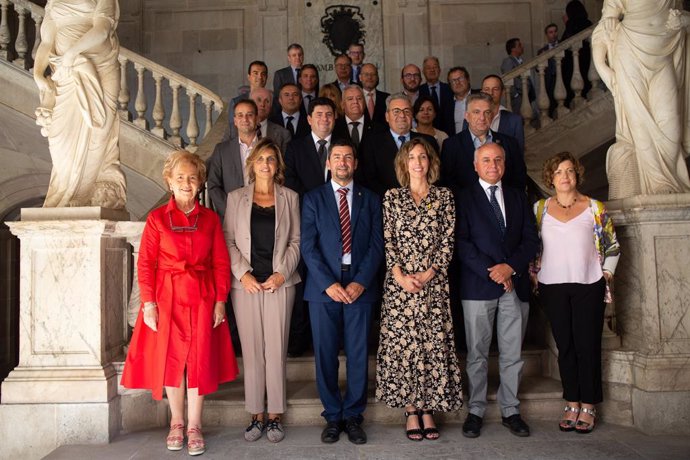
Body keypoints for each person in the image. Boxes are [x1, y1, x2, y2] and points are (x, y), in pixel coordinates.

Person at [121, 150, 238, 456]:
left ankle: (195, 425)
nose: (187, 183)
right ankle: (176, 422)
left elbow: (220, 263)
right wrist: (148, 303)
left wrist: (220, 300)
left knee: (198, 361)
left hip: (201, 296)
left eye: (193, 178)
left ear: (200, 183)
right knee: (173, 361)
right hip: (166, 298)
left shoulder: (211, 219)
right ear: (169, 181)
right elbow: (145, 263)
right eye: (181, 178)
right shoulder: (157, 219)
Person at [376, 138, 462, 441]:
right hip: (400, 287)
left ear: (430, 162)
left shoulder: (444, 197)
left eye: (422, 156)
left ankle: (429, 408)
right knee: (405, 348)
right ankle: (411, 409)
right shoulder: (391, 198)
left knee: (430, 346)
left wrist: (427, 274)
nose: (417, 162)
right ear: (404, 163)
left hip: (433, 285)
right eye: (411, 157)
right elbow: (388, 241)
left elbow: (447, 241)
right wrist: (400, 275)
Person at [301, 139, 384, 445]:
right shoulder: (312, 199)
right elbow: (308, 247)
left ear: (355, 163)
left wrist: (361, 281)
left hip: (360, 285)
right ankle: (333, 416)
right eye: (337, 157)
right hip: (324, 289)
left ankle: (353, 415)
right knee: (325, 354)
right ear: (328, 162)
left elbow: (377, 245)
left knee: (359, 352)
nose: (343, 162)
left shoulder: (371, 199)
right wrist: (329, 284)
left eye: (348, 157)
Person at [456, 143, 539, 439]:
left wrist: (510, 268)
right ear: (476, 165)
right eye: (487, 160)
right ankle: (475, 410)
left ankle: (511, 410)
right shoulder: (463, 198)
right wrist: (493, 271)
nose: (493, 165)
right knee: (477, 353)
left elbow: (531, 241)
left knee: (512, 353)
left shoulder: (518, 196)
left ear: (505, 164)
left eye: (498, 160)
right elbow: (462, 243)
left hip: (514, 287)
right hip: (478, 286)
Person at [532, 152, 620, 434]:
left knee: (588, 346)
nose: (565, 176)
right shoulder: (540, 209)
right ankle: (572, 401)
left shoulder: (594, 207)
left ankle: (590, 404)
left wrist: (604, 275)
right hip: (552, 286)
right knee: (565, 347)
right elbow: (533, 248)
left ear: (577, 175)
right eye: (558, 172)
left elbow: (613, 246)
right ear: (550, 177)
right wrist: (534, 278)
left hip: (588, 285)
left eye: (569, 171)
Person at [225, 139, 301, 443]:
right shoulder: (235, 198)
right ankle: (255, 414)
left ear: (277, 164)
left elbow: (296, 241)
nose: (265, 164)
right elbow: (228, 240)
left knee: (276, 350)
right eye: (260, 159)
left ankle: (275, 416)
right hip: (246, 285)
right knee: (253, 350)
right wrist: (242, 274)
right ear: (252, 164)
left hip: (279, 284)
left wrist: (282, 274)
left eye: (271, 159)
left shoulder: (291, 197)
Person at [33, 0, 126, 208]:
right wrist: (38, 73)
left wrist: (71, 54)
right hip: (63, 74)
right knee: (60, 138)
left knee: (98, 131)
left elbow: (102, 30)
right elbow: (47, 42)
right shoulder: (54, 2)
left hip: (99, 69)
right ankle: (62, 193)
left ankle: (83, 196)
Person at [591, 0, 690, 196]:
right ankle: (658, 184)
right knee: (640, 120)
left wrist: (684, 20)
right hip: (630, 50)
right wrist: (604, 70)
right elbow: (603, 29)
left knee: (671, 127)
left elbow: (682, 13)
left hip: (665, 52)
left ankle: (669, 178)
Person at [440, 93, 526, 192]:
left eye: (487, 112)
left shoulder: (509, 143)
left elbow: (519, 179)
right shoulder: (451, 145)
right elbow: (447, 182)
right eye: (476, 112)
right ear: (467, 116)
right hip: (466, 205)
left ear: (492, 115)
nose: (482, 118)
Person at [360, 93, 438, 197]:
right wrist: (395, 199)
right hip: (386, 205)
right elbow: (369, 180)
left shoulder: (428, 141)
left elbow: (435, 175)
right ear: (387, 116)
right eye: (396, 111)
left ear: (412, 115)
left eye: (406, 111)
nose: (402, 115)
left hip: (424, 203)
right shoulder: (371, 143)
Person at [207, 99, 260, 219]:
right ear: (235, 121)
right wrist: (230, 210)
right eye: (240, 115)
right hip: (231, 218)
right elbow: (213, 185)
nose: (245, 119)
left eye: (249, 115)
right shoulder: (222, 150)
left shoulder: (268, 148)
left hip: (262, 216)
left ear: (257, 119)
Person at [481, 75, 525, 153]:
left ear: (503, 92)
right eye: (487, 89)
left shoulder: (515, 121)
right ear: (482, 93)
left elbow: (518, 155)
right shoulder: (469, 119)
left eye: (495, 89)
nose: (491, 93)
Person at [561, 1, 592, 107]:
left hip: (573, 65)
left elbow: (563, 44)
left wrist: (567, 24)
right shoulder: (588, 23)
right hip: (587, 61)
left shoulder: (571, 24)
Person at [226, 61, 268, 136]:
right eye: (256, 73)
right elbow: (232, 130)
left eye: (263, 74)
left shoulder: (273, 101)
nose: (260, 77)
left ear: (266, 77)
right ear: (249, 77)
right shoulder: (236, 102)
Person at [332, 85, 378, 152]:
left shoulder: (378, 129)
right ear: (342, 105)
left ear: (364, 103)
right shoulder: (333, 127)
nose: (355, 102)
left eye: (359, 98)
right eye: (350, 99)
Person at [500, 38, 535, 115]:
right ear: (513, 49)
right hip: (518, 98)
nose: (522, 47)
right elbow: (507, 78)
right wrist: (516, 95)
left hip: (525, 96)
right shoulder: (508, 61)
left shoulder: (520, 60)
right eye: (519, 45)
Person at [419, 56, 454, 133]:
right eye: (428, 68)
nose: (432, 70)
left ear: (440, 70)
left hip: (448, 134)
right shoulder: (419, 91)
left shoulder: (450, 89)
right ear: (423, 71)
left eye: (435, 67)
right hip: (425, 134)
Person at [444, 66, 473, 135]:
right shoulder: (447, 105)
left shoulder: (479, 97)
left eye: (460, 78)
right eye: (453, 81)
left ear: (468, 79)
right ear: (450, 85)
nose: (457, 82)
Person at [537, 24, 559, 117]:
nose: (553, 34)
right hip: (549, 81)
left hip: (563, 77)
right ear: (547, 35)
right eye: (551, 32)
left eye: (555, 31)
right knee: (551, 104)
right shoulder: (542, 50)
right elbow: (537, 69)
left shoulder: (564, 44)